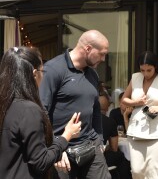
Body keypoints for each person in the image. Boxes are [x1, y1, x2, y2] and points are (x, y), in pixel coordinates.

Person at [39, 30, 112, 179]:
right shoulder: (53, 69)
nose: (104, 59)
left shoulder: (92, 74)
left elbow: (96, 110)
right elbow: (41, 111)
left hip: (91, 145)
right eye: (102, 54)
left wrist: (100, 140)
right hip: (62, 149)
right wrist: (54, 148)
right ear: (88, 49)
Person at [0, 47, 81, 178]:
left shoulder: (5, 105)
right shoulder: (29, 110)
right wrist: (66, 136)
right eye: (42, 71)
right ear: (34, 73)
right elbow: (41, 162)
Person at [122, 51, 158, 179]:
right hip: (136, 129)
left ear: (156, 67)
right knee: (136, 171)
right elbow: (124, 99)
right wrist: (135, 102)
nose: (145, 73)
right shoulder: (135, 77)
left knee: (152, 169)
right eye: (142, 70)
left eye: (149, 70)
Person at [99, 94, 132, 179]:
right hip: (100, 157)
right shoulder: (110, 121)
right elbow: (114, 148)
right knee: (120, 156)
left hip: (83, 155)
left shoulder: (85, 119)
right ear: (107, 107)